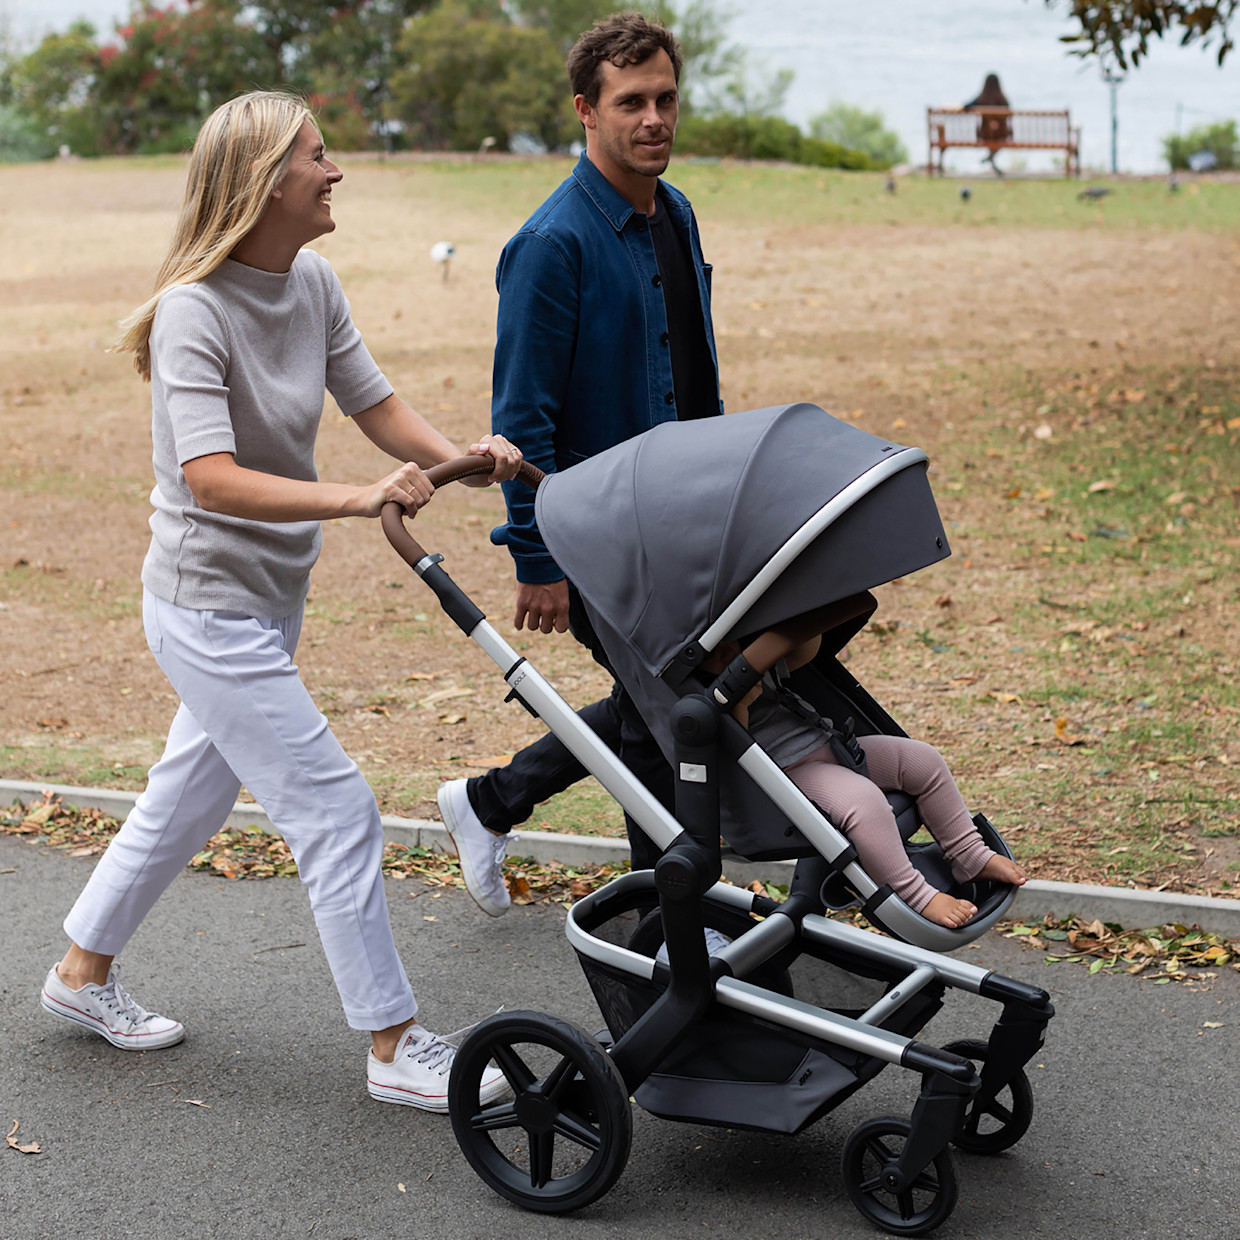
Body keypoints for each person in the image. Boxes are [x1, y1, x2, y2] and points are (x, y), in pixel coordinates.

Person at [38, 91, 520, 1113]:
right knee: (336, 808)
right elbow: (210, 476)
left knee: (189, 795)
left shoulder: (312, 281)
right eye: (316, 156)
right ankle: (393, 1044)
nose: (334, 169)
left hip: (266, 599)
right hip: (203, 606)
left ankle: (79, 973)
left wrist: (464, 462)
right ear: (263, 183)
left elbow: (374, 404)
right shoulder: (193, 312)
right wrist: (358, 498)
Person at [437, 12, 721, 914]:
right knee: (663, 717)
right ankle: (670, 922)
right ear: (585, 112)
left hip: (677, 519)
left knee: (670, 702)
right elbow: (520, 421)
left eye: (666, 99)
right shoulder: (550, 245)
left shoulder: (673, 214)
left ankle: (491, 801)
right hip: (594, 531)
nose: (654, 119)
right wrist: (538, 559)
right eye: (630, 102)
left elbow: (693, 381)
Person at [708, 592, 1027, 929]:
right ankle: (915, 895)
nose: (728, 652)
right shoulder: (708, 699)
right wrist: (737, 701)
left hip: (832, 746)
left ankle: (969, 855)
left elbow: (808, 647)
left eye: (731, 643)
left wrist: (779, 631)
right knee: (865, 801)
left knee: (923, 760)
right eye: (717, 652)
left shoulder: (757, 664)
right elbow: (734, 756)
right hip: (790, 775)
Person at [964, 73, 1012, 173]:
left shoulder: (981, 98)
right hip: (1001, 134)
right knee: (998, 137)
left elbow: (966, 106)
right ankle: (991, 158)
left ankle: (990, 158)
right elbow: (1009, 114)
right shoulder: (1002, 99)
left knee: (991, 134)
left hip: (984, 134)